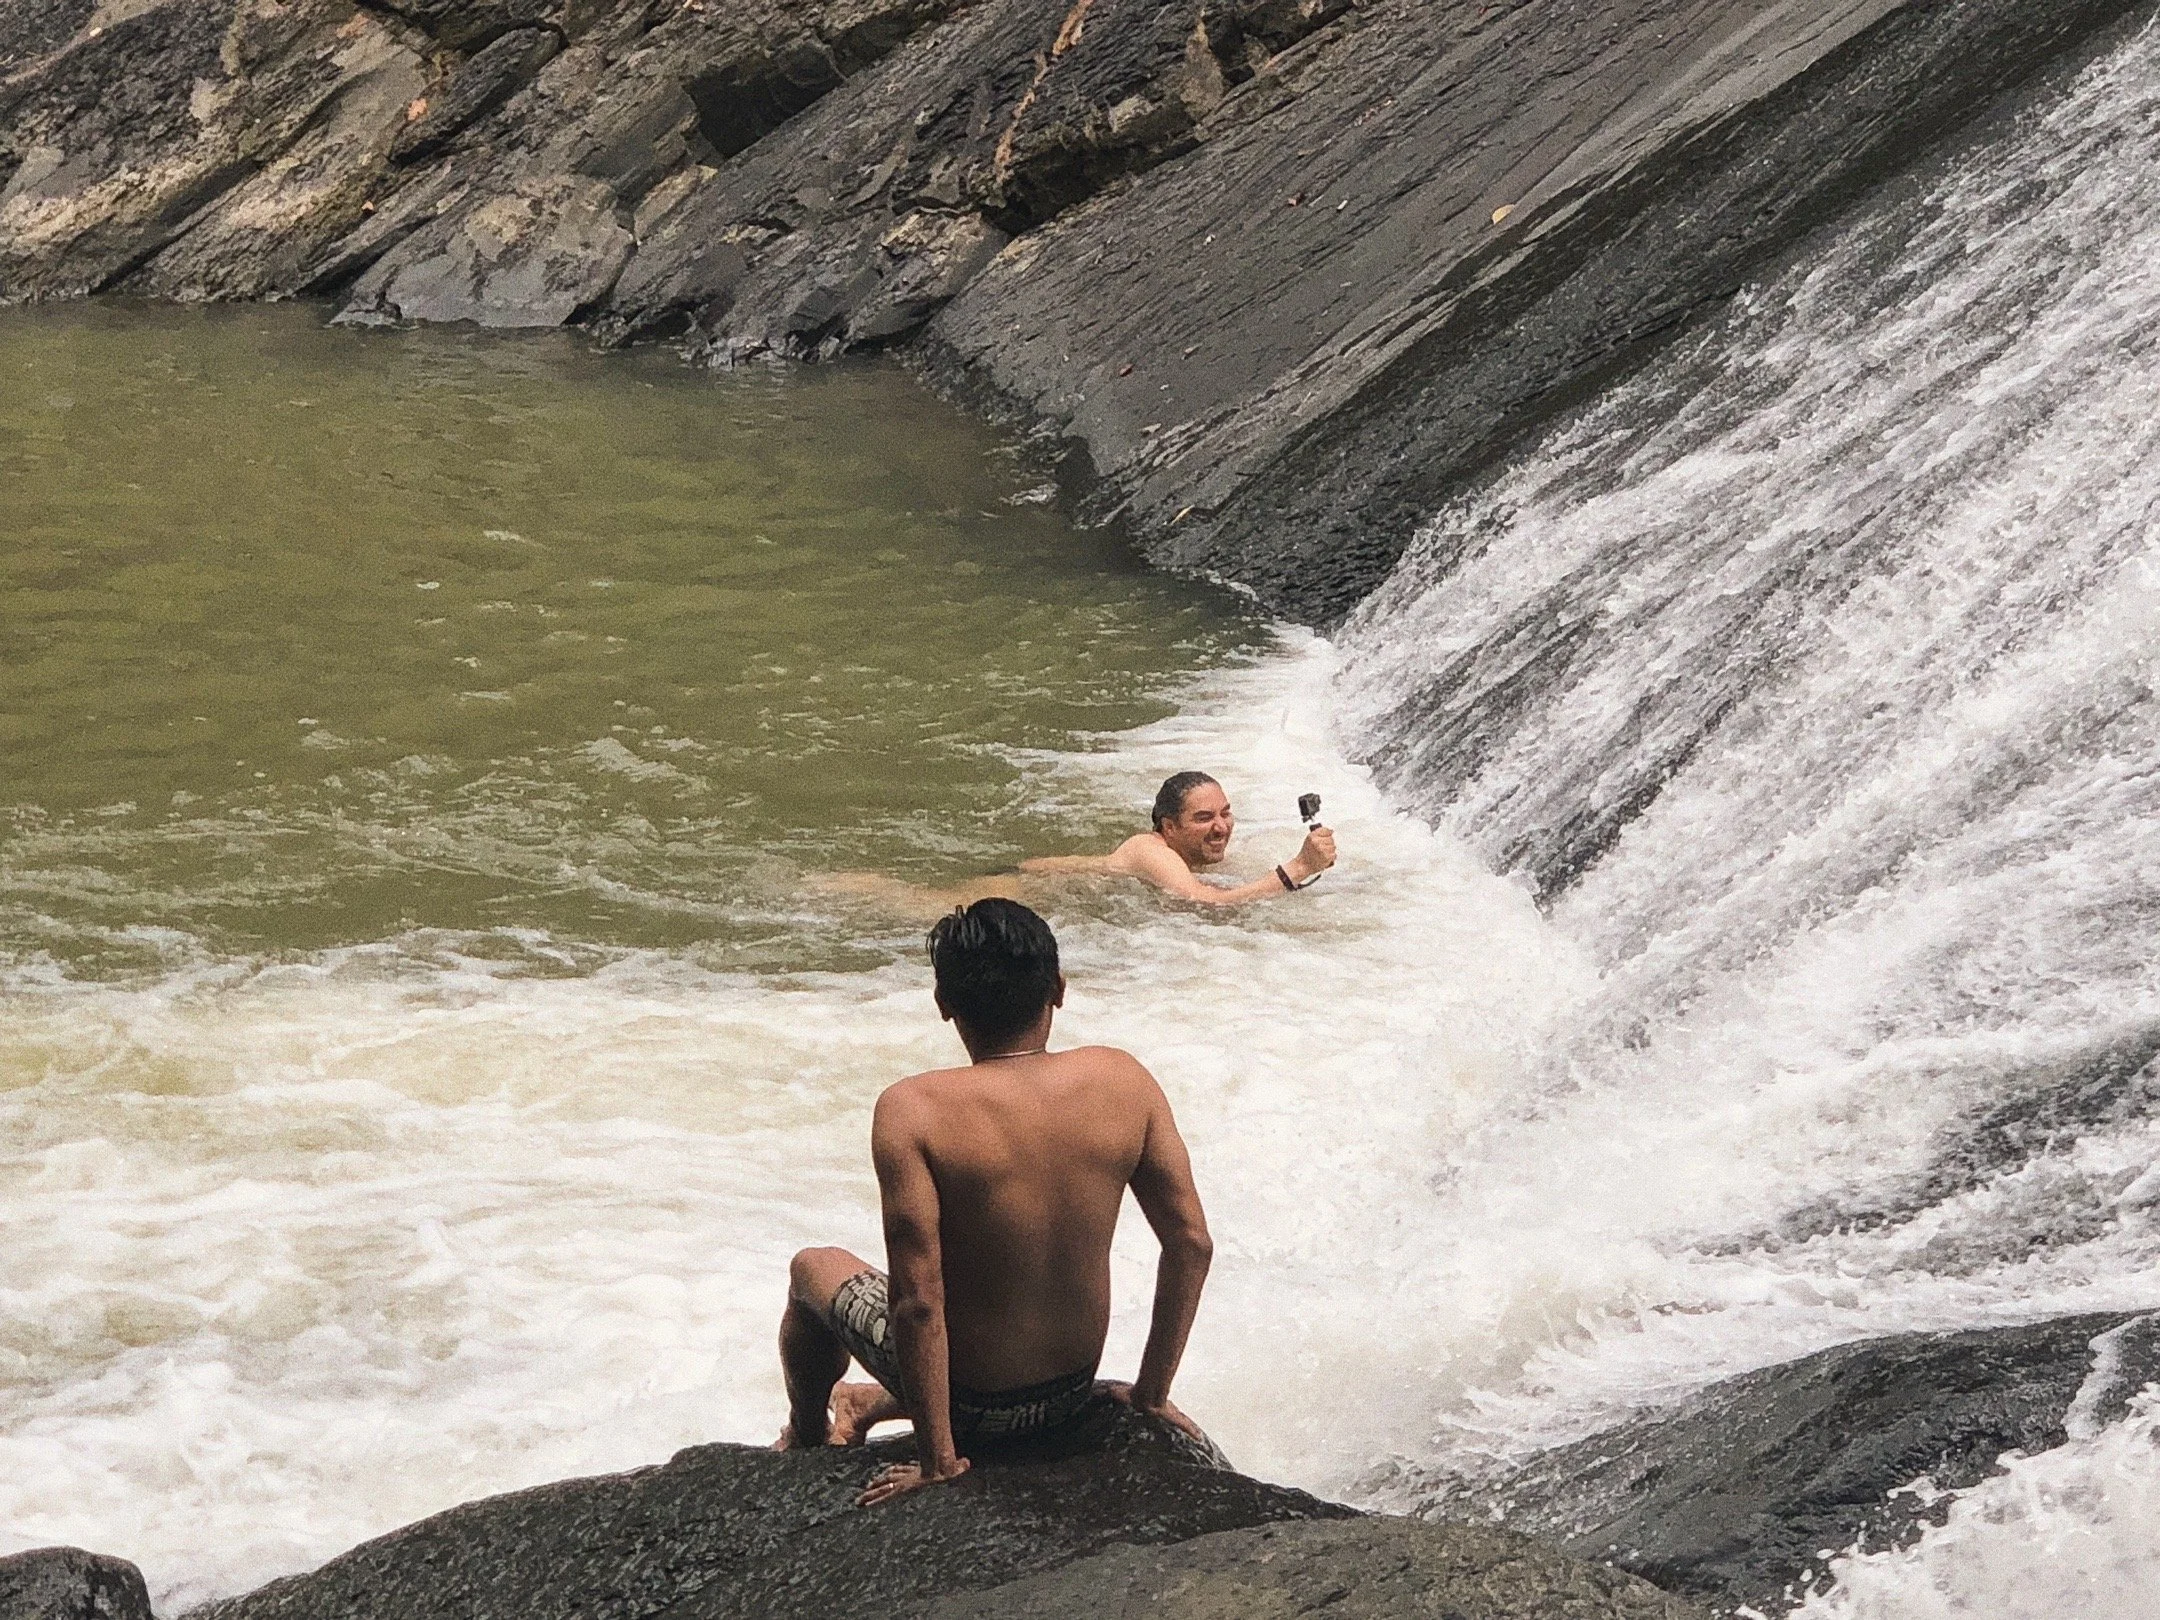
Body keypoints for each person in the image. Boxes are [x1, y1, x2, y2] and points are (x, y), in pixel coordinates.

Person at [774, 899, 1214, 1507]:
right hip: (1070, 1394)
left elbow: (918, 1301)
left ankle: (807, 1432)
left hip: (971, 1410)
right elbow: (1191, 1243)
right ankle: (866, 1403)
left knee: (812, 1267)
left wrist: (938, 1462)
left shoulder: (912, 1109)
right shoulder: (1123, 1079)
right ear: (1057, 989)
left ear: (944, 1003)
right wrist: (1151, 1395)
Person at [1016, 770, 1337, 905]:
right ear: (1169, 828)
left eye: (1225, 813)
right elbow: (1207, 903)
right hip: (1017, 887)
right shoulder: (1149, 850)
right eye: (1204, 818)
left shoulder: (1191, 854)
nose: (1221, 827)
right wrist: (1298, 868)